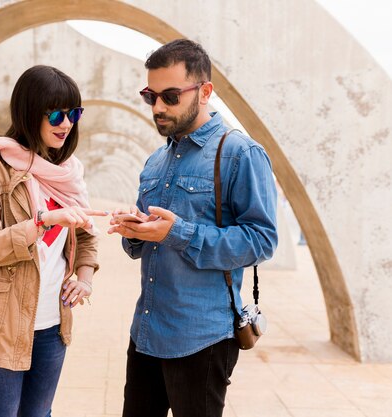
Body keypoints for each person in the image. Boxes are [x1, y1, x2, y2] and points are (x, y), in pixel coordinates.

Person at [108, 39, 278, 417]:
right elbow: (144, 246)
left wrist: (178, 233)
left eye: (170, 96)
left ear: (204, 92)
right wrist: (134, 232)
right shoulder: (155, 161)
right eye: (150, 95)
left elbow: (262, 240)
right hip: (146, 333)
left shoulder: (239, 153)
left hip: (202, 338)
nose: (158, 107)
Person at [0, 65, 108, 417]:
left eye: (74, 113)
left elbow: (86, 233)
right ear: (30, 113)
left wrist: (85, 278)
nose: (67, 124)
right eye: (56, 114)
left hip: (52, 326)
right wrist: (42, 222)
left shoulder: (68, 172)